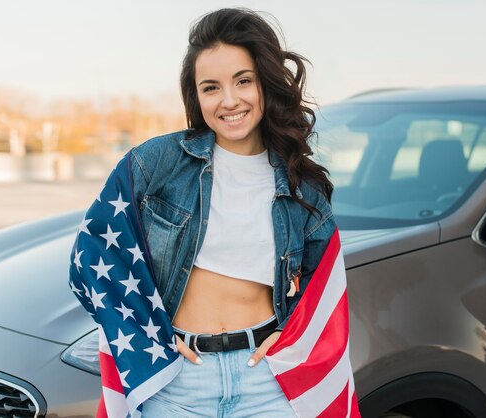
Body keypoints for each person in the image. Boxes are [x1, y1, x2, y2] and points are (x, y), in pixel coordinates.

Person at [69, 7, 359, 417]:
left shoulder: (302, 185)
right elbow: (93, 257)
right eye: (211, 87)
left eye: (243, 81)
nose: (229, 101)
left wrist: (290, 336)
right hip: (176, 383)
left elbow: (320, 285)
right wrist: (149, 336)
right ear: (196, 95)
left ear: (266, 83)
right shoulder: (157, 164)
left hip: (267, 383)